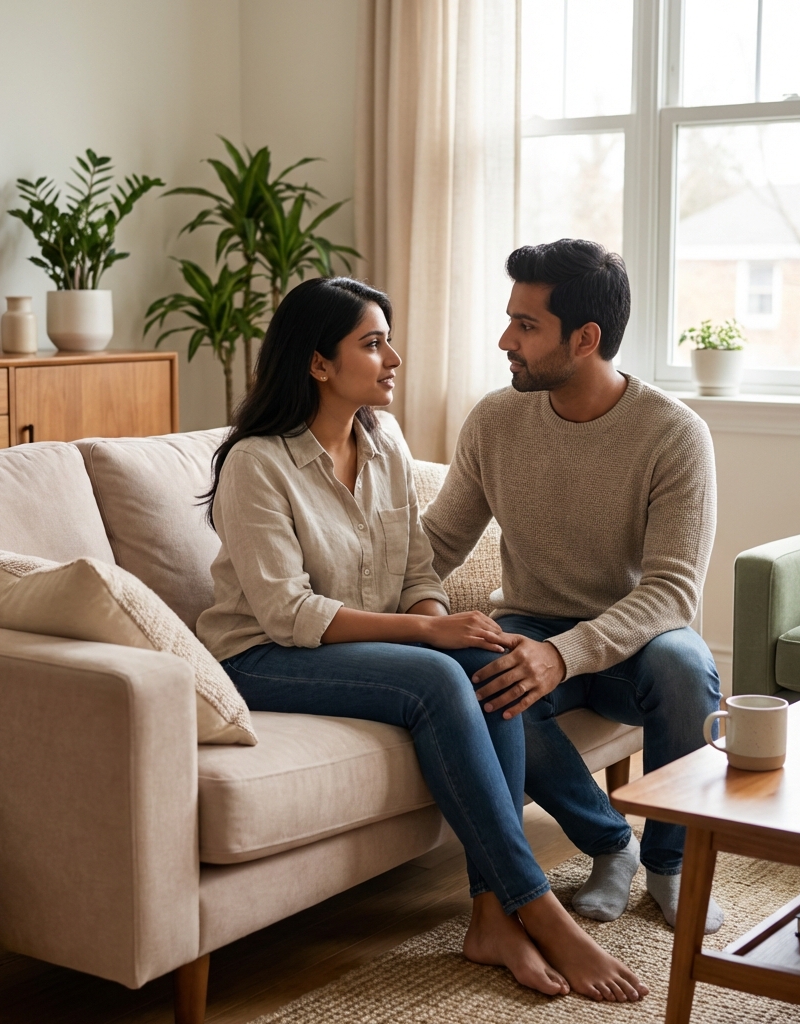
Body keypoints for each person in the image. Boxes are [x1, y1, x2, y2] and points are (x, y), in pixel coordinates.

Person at [195, 276, 649, 1002]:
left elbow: (416, 568)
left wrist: (444, 620)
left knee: (488, 654)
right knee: (442, 676)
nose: (393, 358)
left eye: (388, 340)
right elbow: (286, 612)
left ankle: (488, 916)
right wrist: (427, 631)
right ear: (318, 364)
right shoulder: (257, 463)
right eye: (372, 344)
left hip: (359, 646)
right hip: (262, 657)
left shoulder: (384, 444)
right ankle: (537, 907)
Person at [422, 239, 724, 934]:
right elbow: (436, 543)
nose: (506, 341)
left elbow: (672, 592)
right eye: (510, 320)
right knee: (488, 678)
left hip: (635, 639)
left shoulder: (674, 434)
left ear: (585, 338)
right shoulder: (495, 420)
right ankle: (611, 844)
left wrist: (567, 653)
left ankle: (672, 865)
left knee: (688, 667)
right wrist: (359, 609)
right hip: (531, 618)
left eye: (526, 326)